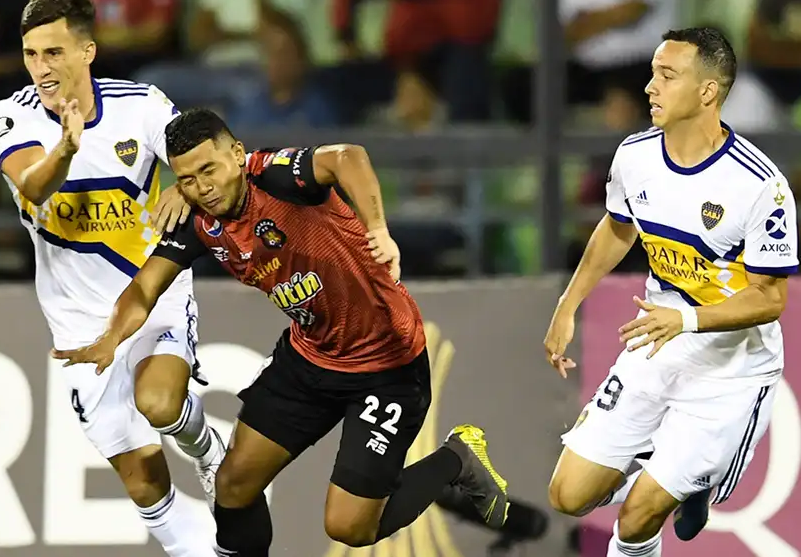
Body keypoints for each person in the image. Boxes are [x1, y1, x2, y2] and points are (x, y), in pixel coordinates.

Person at [52, 108, 512, 556]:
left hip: (387, 364)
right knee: (232, 485)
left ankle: (456, 458)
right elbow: (144, 288)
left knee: (349, 526)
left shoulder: (276, 177)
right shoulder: (199, 221)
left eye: (209, 169)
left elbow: (348, 156)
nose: (203, 188)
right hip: (309, 357)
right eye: (187, 179)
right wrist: (112, 337)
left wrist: (377, 228)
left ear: (236, 153)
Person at [0, 0, 224, 557]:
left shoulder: (140, 105)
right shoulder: (9, 118)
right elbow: (32, 185)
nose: (40, 68)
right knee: (143, 481)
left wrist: (184, 193)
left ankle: (209, 449)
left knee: (160, 403)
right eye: (31, 54)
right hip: (77, 322)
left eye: (54, 53)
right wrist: (64, 150)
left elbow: (198, 158)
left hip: (152, 292)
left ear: (87, 51)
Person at [543, 27, 799, 557]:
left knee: (638, 516)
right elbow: (619, 227)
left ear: (707, 92)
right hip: (658, 348)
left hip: (730, 369)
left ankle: (684, 479)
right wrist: (568, 305)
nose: (649, 88)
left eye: (667, 75)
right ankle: (671, 464)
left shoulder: (759, 186)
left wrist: (685, 320)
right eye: (652, 73)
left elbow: (770, 299)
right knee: (568, 495)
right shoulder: (635, 156)